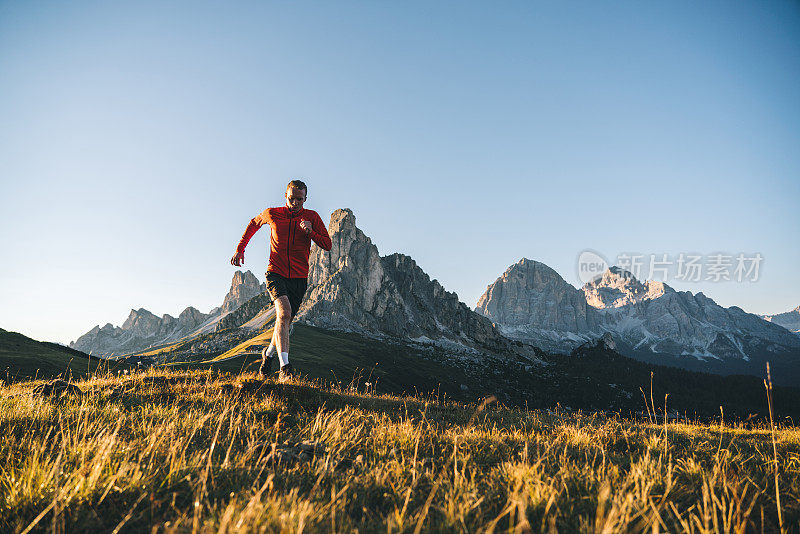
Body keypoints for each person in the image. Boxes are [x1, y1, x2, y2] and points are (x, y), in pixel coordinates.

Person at [231, 180, 332, 381]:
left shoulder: (311, 217)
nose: (295, 203)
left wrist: (310, 232)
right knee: (284, 313)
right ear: (285, 196)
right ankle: (285, 369)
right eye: (291, 198)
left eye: (299, 199)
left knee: (284, 322)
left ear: (305, 198)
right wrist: (240, 249)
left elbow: (327, 244)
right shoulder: (273, 213)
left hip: (299, 278)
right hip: (275, 273)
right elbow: (253, 223)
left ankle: (268, 355)